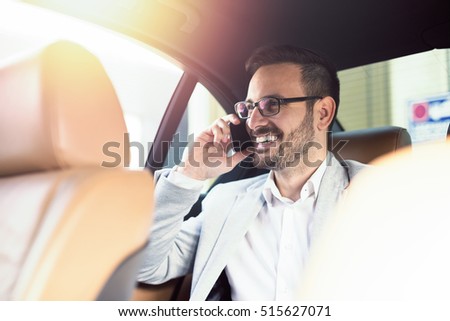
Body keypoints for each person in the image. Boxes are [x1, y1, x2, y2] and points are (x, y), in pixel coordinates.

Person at [137, 45, 366, 300]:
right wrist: (190, 173)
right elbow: (147, 267)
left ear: (323, 113)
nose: (253, 123)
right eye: (248, 108)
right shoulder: (225, 202)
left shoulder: (377, 193)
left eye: (271, 105)